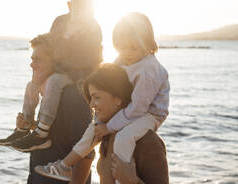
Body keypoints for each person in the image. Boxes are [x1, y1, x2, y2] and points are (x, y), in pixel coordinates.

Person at [35, 12, 170, 183]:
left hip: (149, 113)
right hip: (129, 111)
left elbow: (138, 109)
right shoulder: (124, 59)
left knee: (123, 137)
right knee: (92, 130)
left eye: (133, 48)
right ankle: (64, 166)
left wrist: (131, 180)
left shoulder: (148, 71)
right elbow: (108, 78)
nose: (127, 53)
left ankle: (122, 176)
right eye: (121, 47)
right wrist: (104, 126)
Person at [0, 0, 103, 152]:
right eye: (81, 6)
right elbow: (49, 45)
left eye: (89, 8)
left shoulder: (93, 28)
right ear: (70, 5)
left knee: (54, 82)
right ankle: (23, 127)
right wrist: (42, 72)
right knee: (32, 85)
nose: (85, 12)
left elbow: (89, 59)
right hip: (60, 68)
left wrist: (56, 70)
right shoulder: (60, 22)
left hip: (82, 73)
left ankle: (41, 133)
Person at [38, 63, 169, 183]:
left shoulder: (147, 142)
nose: (91, 104)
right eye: (90, 98)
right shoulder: (105, 136)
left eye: (97, 97)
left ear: (118, 99)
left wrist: (132, 181)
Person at [19, 35, 95, 184]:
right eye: (32, 59)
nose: (32, 65)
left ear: (56, 62)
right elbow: (57, 139)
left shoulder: (72, 97)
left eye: (38, 59)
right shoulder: (50, 97)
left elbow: (86, 152)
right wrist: (29, 126)